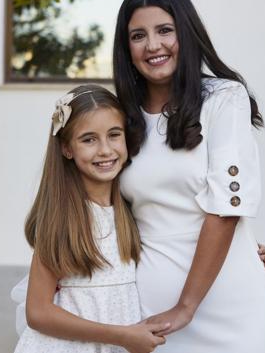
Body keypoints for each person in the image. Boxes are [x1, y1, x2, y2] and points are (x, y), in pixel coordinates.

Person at [113, 0, 265, 353]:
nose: (153, 45)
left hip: (228, 304)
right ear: (126, 49)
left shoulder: (223, 99)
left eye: (165, 30)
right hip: (148, 307)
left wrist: (187, 307)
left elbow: (226, 208)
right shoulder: (120, 117)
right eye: (138, 35)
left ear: (186, 33)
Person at [13, 84, 170, 353]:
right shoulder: (65, 219)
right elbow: (38, 312)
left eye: (114, 135)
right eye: (89, 139)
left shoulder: (132, 210)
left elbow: (178, 236)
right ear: (67, 148)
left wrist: (242, 252)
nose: (105, 150)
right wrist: (121, 336)